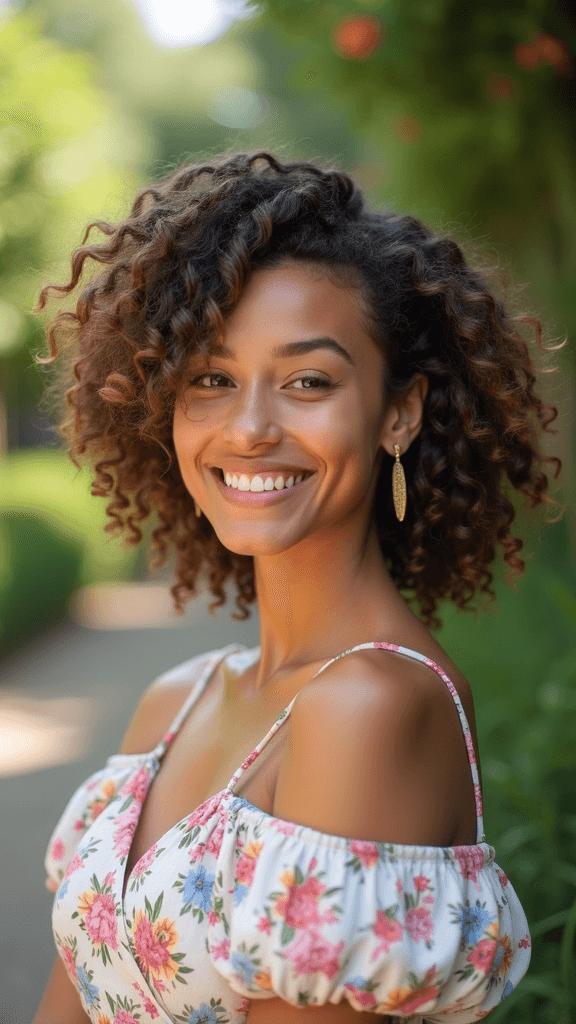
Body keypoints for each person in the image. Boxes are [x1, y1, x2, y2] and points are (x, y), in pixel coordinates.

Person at [32, 150, 560, 1024]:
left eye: (308, 381)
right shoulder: (175, 700)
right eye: (211, 379)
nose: (248, 427)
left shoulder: (372, 705)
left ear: (400, 411)